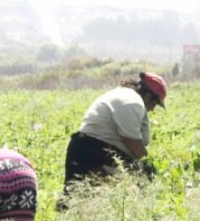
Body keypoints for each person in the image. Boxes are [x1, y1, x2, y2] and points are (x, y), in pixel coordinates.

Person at [61, 71, 167, 201]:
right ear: (148, 96)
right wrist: (148, 164)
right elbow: (131, 141)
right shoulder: (132, 102)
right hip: (94, 151)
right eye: (154, 104)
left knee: (74, 200)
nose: (152, 109)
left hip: (84, 147)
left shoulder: (124, 94)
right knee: (143, 174)